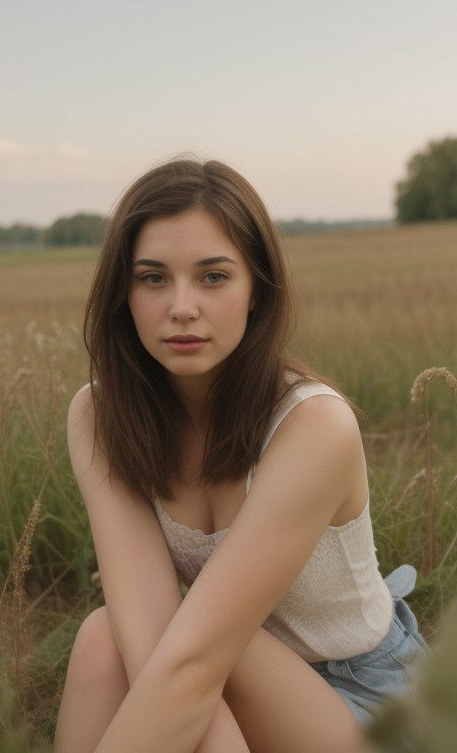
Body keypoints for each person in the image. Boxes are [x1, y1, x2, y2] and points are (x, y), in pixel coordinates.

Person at [54, 157, 428, 753]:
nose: (181, 307)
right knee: (109, 637)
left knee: (198, 650)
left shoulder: (312, 426)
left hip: (365, 701)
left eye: (213, 277)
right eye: (153, 278)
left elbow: (191, 664)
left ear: (257, 288)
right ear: (122, 292)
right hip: (216, 670)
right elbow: (152, 634)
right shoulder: (101, 416)